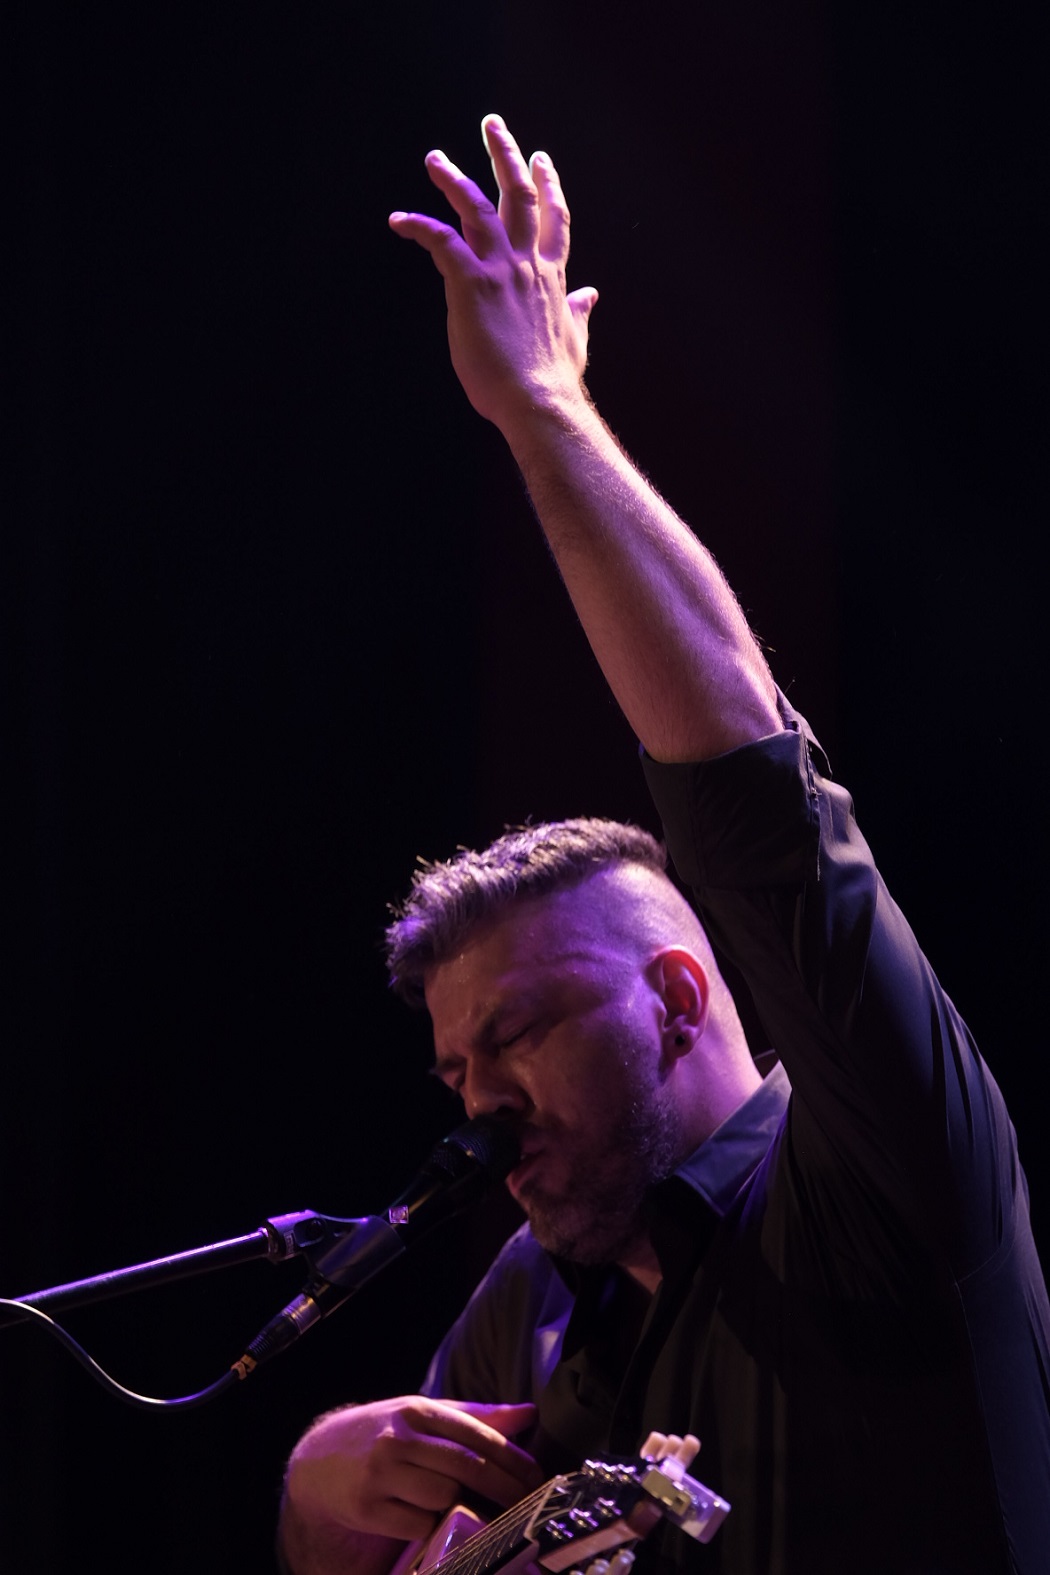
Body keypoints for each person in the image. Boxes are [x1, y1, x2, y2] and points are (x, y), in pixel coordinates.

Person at [278, 116, 1050, 1575]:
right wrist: (317, 1510)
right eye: (457, 1072)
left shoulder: (872, 1173)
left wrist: (541, 410)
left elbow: (756, 805)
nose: (480, 1113)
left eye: (515, 1036)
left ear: (679, 997)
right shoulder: (535, 1302)